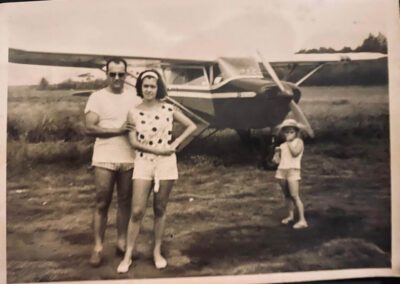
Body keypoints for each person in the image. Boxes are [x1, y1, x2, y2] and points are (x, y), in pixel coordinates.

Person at [117, 70, 197, 273]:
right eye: (145, 86)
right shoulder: (133, 112)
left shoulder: (168, 108)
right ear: (140, 88)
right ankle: (128, 255)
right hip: (143, 163)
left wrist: (175, 143)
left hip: (166, 163)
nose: (149, 89)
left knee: (160, 208)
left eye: (152, 86)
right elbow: (134, 142)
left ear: (158, 88)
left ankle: (157, 252)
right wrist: (156, 150)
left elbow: (192, 125)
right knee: (137, 211)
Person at [84, 57, 142, 267]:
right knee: (102, 202)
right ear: (107, 74)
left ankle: (122, 243)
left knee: (125, 202)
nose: (117, 78)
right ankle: (98, 247)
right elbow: (90, 127)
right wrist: (118, 130)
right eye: (112, 74)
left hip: (129, 158)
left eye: (121, 74)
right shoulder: (96, 97)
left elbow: (144, 121)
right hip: (105, 158)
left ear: (126, 75)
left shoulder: (135, 97)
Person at [273, 118, 308, 229]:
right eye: (286, 132)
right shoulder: (283, 145)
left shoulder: (299, 142)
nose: (289, 134)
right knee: (287, 196)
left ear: (296, 132)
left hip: (293, 170)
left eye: (291, 132)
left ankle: (303, 220)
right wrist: (276, 155)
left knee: (295, 196)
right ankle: (290, 216)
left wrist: (288, 142)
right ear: (283, 133)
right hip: (282, 171)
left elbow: (295, 153)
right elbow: (277, 162)